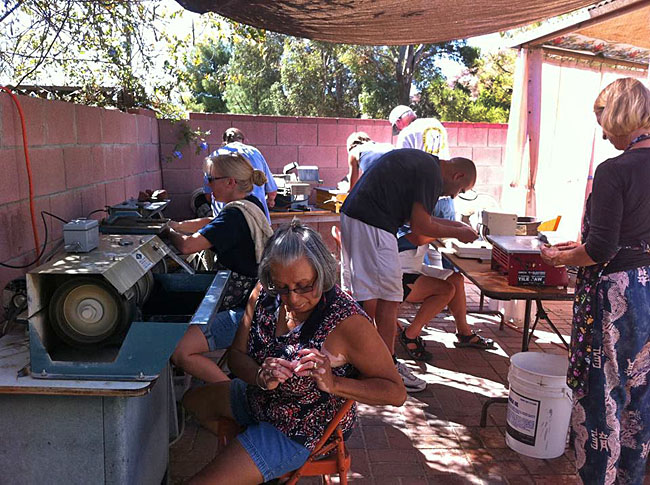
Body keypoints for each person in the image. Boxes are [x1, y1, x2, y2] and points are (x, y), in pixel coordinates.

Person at [182, 221, 406, 484]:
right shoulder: (264, 294)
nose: (293, 299)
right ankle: (253, 462)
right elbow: (237, 356)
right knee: (190, 403)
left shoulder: (348, 322)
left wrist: (334, 383)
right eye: (282, 287)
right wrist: (259, 375)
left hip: (301, 427)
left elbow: (395, 392)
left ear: (322, 273)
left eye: (304, 286)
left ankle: (254, 459)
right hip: (259, 398)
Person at [540, 77, 650, 484]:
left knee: (603, 393)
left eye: (602, 120)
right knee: (641, 396)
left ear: (619, 115)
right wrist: (587, 243)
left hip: (618, 295)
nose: (603, 134)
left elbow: (600, 250)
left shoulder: (613, 170)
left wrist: (560, 256)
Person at [340, 148, 478, 392]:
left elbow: (419, 220)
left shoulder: (425, 165)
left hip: (361, 218)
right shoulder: (431, 174)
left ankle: (377, 362)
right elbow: (421, 225)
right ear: (457, 176)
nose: (454, 196)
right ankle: (386, 368)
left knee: (376, 296)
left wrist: (455, 225)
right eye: (461, 191)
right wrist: (458, 232)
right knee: (389, 296)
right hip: (372, 224)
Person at [168, 150, 274, 383]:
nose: (207, 186)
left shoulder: (234, 216)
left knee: (181, 351)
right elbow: (210, 223)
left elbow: (187, 247)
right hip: (256, 303)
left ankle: (229, 398)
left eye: (210, 179)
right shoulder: (250, 204)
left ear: (230, 182)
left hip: (245, 313)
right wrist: (177, 224)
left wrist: (168, 232)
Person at [397, 230, 494, 362]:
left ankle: (464, 333)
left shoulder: (415, 220)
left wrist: (456, 230)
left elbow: (430, 228)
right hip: (398, 274)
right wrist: (457, 232)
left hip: (414, 267)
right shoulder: (400, 226)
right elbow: (418, 237)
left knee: (456, 279)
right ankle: (410, 334)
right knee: (446, 290)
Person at [205, 127, 278, 221]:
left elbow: (208, 194)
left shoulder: (215, 156)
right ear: (243, 140)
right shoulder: (255, 152)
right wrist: (270, 200)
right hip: (257, 218)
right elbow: (272, 190)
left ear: (224, 141)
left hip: (225, 219)